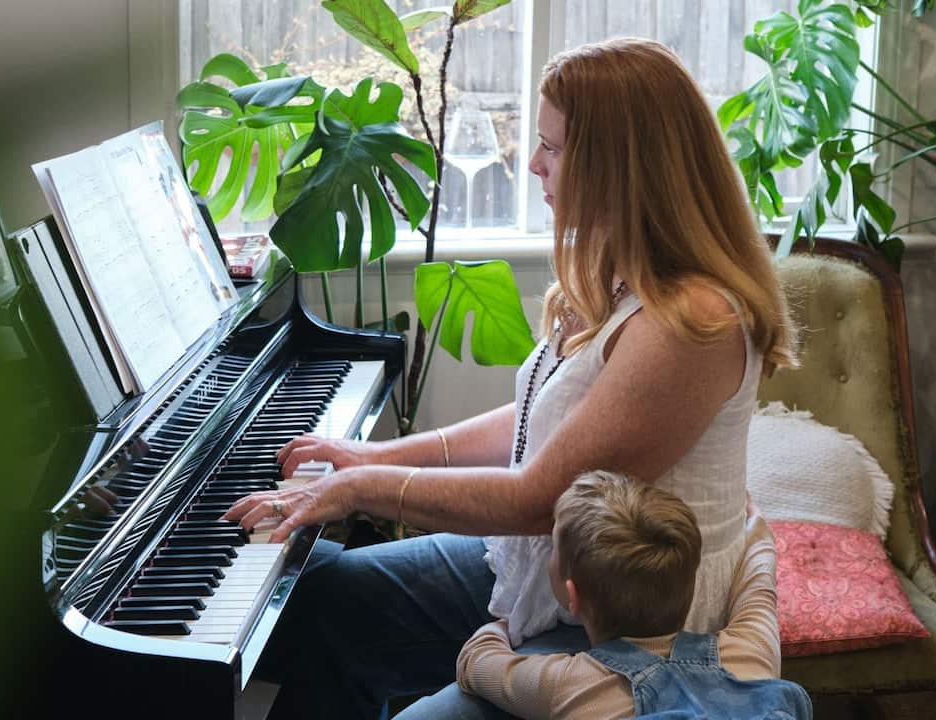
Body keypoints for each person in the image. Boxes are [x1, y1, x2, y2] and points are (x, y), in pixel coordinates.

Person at [223, 36, 797, 719]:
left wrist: (358, 488)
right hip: (549, 568)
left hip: (633, 626)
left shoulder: (693, 323)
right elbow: (539, 424)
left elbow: (539, 496)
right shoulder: (619, 273)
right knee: (318, 605)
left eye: (553, 148)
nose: (532, 165)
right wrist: (371, 455)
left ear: (621, 165)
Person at [456, 471, 811, 719]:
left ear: (573, 597)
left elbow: (475, 663)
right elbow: (759, 583)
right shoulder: (749, 652)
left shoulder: (570, 684)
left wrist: (503, 625)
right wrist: (756, 523)